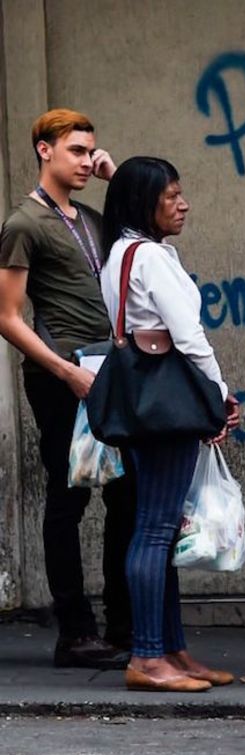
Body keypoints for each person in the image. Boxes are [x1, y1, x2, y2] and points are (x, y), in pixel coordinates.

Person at [0, 109, 135, 668]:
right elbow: (8, 317)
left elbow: (145, 233)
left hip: (109, 369)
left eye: (90, 151)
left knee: (126, 494)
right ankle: (75, 632)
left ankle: (124, 624)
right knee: (69, 496)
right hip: (63, 377)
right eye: (76, 151)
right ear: (44, 151)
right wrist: (64, 371)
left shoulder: (93, 218)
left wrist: (115, 176)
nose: (85, 160)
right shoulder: (23, 224)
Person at [100, 156, 239, 692]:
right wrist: (220, 394)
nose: (182, 204)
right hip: (168, 401)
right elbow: (189, 335)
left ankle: (172, 651)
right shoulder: (151, 258)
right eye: (171, 196)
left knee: (158, 526)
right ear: (145, 204)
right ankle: (148, 657)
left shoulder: (120, 254)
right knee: (157, 528)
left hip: (142, 402)